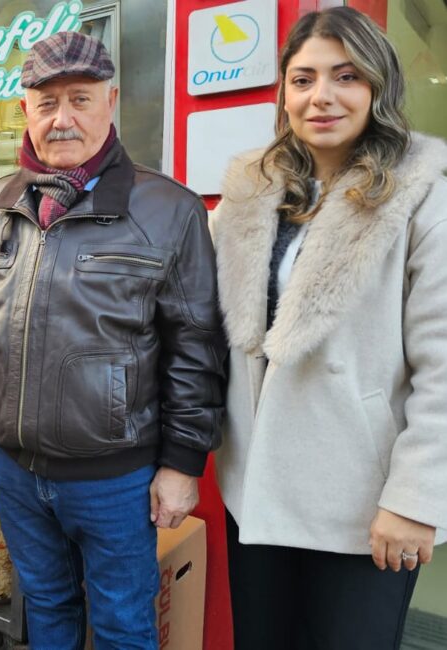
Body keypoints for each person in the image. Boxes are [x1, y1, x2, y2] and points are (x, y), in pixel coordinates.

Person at [0, 31, 226, 649]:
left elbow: (196, 349)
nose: (62, 118)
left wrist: (182, 464)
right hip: (11, 465)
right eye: (46, 103)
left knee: (124, 624)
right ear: (25, 111)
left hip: (115, 477)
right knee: (45, 606)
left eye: (80, 99)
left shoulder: (168, 210)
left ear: (111, 101)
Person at [211, 8, 447, 649]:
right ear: (284, 91)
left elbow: (444, 364)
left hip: (365, 503)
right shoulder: (250, 193)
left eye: (345, 76)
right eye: (303, 78)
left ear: (377, 86)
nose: (322, 96)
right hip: (256, 491)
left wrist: (417, 499)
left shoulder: (421, 194)